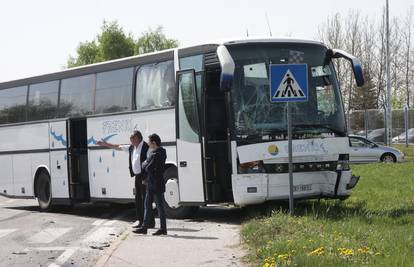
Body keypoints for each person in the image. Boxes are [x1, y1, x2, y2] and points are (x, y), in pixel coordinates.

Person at [96, 131, 155, 228]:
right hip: (137, 176)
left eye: (132, 139)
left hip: (145, 176)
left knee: (146, 200)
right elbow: (118, 147)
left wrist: (148, 176)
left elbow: (151, 161)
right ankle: (141, 221)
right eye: (131, 140)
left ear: (138, 138)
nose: (131, 141)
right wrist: (105, 144)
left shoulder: (146, 146)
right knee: (138, 200)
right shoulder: (132, 147)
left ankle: (150, 222)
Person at [134, 133, 167, 235]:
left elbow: (146, 167)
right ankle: (153, 228)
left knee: (151, 206)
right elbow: (146, 165)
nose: (148, 144)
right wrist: (146, 163)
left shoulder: (155, 154)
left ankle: (153, 228)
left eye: (149, 142)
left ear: (153, 143)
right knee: (153, 206)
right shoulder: (161, 152)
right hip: (156, 183)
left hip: (153, 184)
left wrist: (145, 163)